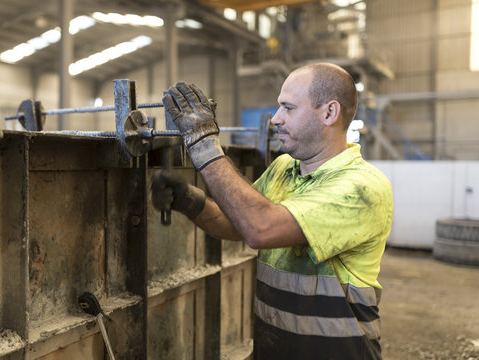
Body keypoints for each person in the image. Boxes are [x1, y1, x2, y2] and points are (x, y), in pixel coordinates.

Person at [152, 62, 393, 359]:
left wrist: (203, 144)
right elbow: (237, 223)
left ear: (329, 112)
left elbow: (260, 228)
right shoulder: (283, 167)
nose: (276, 119)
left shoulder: (362, 187)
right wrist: (189, 200)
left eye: (288, 108)